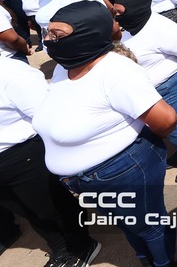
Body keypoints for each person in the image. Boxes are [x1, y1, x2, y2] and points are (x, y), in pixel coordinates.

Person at [32, 1, 177, 267]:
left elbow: (166, 120)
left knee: (148, 225)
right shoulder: (64, 65)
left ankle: (164, 263)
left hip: (122, 171)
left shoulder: (116, 71)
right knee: (127, 225)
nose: (48, 40)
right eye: (47, 32)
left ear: (87, 33)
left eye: (57, 34)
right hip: (85, 180)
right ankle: (146, 258)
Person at [0, 56, 101, 267]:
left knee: (51, 207)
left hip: (22, 154)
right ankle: (59, 247)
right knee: (23, 209)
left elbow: (46, 114)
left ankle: (82, 245)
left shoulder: (12, 74)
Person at [114, 0, 177, 184]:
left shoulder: (162, 29)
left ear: (134, 10)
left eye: (120, 12)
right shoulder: (134, 27)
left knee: (173, 125)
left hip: (169, 83)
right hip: (151, 88)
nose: (117, 18)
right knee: (166, 126)